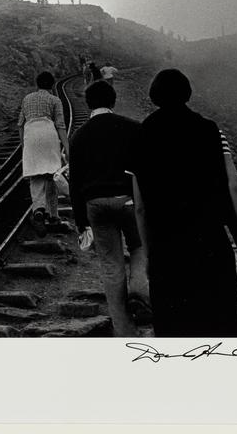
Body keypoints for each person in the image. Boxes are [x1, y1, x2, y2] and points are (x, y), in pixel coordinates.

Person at [128, 69, 237, 337]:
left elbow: (140, 205)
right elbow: (233, 187)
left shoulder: (140, 136)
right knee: (219, 326)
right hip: (210, 244)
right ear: (187, 93)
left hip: (167, 248)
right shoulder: (210, 130)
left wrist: (150, 252)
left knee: (175, 331)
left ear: (154, 96)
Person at [68, 80, 150, 336]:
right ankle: (139, 290)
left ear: (88, 103)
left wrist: (81, 222)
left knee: (110, 265)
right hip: (129, 200)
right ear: (113, 101)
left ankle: (124, 330)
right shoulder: (132, 128)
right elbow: (145, 170)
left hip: (96, 205)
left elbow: (75, 183)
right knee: (139, 246)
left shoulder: (78, 136)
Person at [17, 71, 70, 236]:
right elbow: (61, 125)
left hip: (31, 134)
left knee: (35, 176)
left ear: (37, 84)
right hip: (49, 135)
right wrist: (67, 147)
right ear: (52, 85)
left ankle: (38, 210)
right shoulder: (55, 100)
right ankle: (53, 215)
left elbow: (20, 124)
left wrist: (24, 143)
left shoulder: (27, 99)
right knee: (51, 176)